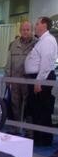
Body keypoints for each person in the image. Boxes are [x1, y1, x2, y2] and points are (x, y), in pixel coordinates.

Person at [24, 16, 57, 146]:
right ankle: (38, 138)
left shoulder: (48, 41)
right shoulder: (42, 40)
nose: (35, 26)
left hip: (42, 78)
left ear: (44, 25)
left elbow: (46, 63)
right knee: (36, 109)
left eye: (37, 24)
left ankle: (44, 139)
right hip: (38, 77)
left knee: (42, 109)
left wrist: (39, 81)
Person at [5, 22, 36, 122]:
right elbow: (9, 62)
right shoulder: (13, 44)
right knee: (15, 102)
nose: (25, 32)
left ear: (32, 30)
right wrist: (7, 77)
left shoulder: (37, 44)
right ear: (20, 31)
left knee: (28, 103)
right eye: (23, 30)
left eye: (28, 30)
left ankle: (28, 126)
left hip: (29, 80)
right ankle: (17, 124)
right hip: (15, 79)